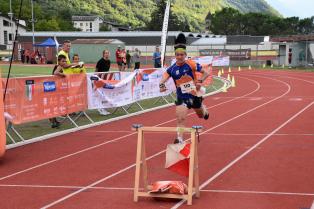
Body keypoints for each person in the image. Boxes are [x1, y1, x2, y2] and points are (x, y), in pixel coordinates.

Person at [159, 43, 209, 144]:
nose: (180, 57)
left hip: (194, 95)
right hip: (181, 97)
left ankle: (204, 109)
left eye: (182, 55)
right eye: (178, 55)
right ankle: (179, 138)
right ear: (175, 56)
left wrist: (200, 81)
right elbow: (162, 81)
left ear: (185, 55)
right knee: (180, 118)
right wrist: (161, 86)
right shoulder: (171, 69)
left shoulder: (191, 64)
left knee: (201, 115)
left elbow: (206, 73)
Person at [49, 54, 67, 128]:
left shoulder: (61, 66)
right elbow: (55, 73)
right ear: (59, 61)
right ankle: (53, 122)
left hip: (55, 88)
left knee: (55, 105)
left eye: (65, 61)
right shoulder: (59, 66)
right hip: (53, 88)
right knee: (53, 105)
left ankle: (54, 120)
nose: (64, 62)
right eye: (63, 61)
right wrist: (63, 74)